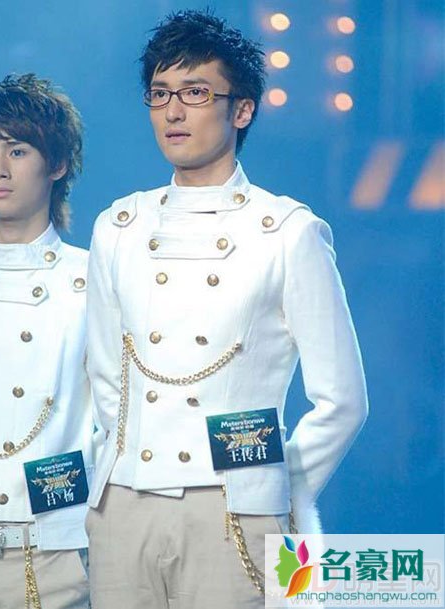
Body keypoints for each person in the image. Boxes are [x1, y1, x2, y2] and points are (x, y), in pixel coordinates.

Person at [86, 9, 368, 609]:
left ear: (242, 110)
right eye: (160, 93)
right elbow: (107, 378)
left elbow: (343, 400)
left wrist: (281, 490)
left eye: (195, 92)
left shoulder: (287, 232)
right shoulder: (119, 226)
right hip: (124, 503)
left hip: (237, 508)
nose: (173, 111)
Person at [0, 73, 97, 609]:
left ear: (57, 164)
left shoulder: (92, 281)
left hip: (53, 554)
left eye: (17, 151)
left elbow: (119, 421)